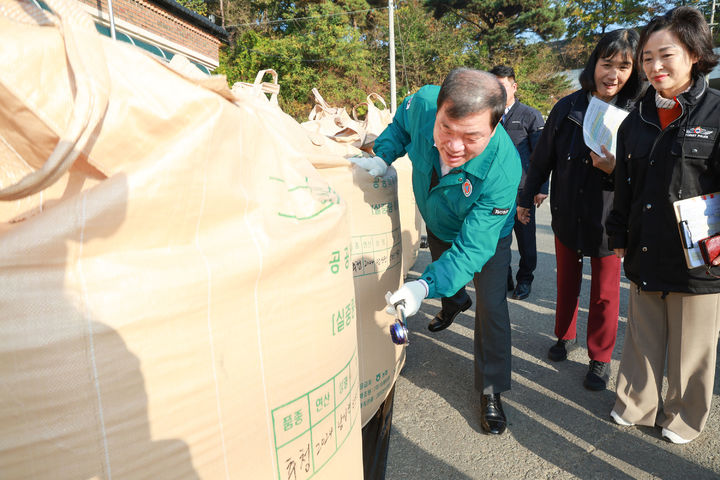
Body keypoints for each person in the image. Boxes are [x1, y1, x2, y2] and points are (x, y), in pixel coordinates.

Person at [351, 68, 521, 435]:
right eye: (446, 129)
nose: (454, 147)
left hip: (484, 236)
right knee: (445, 273)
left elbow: (473, 249)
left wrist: (420, 288)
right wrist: (383, 157)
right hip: (438, 216)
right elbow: (400, 127)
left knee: (491, 306)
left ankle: (491, 389)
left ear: (495, 127)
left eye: (471, 136)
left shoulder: (504, 170)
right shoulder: (424, 102)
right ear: (439, 109)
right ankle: (453, 301)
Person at [605, 7, 720, 444]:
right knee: (642, 335)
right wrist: (618, 233)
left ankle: (685, 416)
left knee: (693, 345)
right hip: (645, 244)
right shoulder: (635, 119)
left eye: (665, 55)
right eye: (647, 58)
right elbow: (624, 185)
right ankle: (637, 403)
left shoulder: (716, 113)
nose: (654, 67)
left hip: (702, 256)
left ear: (693, 53)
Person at [517, 29, 642, 391]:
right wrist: (526, 199)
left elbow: (645, 173)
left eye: (624, 66)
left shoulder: (636, 115)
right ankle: (563, 335)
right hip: (567, 211)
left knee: (605, 293)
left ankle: (600, 358)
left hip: (609, 219)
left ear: (633, 71)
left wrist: (615, 169)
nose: (613, 74)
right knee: (566, 281)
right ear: (594, 64)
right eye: (607, 63)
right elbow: (542, 159)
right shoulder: (569, 107)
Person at [490, 65, 547, 300]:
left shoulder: (530, 115)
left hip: (522, 191)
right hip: (494, 191)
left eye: (503, 86)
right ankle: (505, 277)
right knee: (497, 239)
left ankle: (525, 280)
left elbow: (542, 155)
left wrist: (541, 188)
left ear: (514, 87)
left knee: (526, 241)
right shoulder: (487, 114)